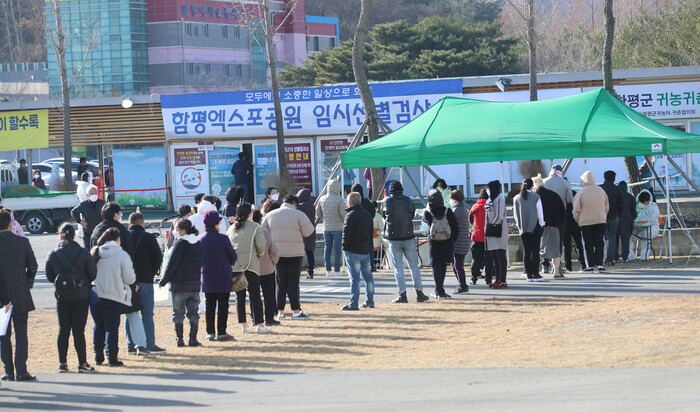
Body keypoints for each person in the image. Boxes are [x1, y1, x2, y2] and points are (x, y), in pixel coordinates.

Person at [45, 223, 97, 373]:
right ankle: (82, 363)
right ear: (74, 235)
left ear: (60, 235)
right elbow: (92, 273)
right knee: (78, 331)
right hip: (81, 294)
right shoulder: (83, 252)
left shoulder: (53, 253)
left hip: (62, 296)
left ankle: (63, 363)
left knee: (63, 330)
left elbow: (50, 276)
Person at [0, 209, 38, 381]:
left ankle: (8, 371)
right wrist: (27, 282)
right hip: (21, 291)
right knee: (21, 333)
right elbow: (33, 265)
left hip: (2, 297)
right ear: (10, 224)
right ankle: (22, 370)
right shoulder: (22, 242)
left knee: (3, 335)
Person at [262, 195, 315, 320]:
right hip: (295, 253)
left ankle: (280, 312)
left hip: (277, 253)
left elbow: (263, 231)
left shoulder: (270, 215)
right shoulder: (298, 214)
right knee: (293, 283)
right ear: (295, 204)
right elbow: (309, 231)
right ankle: (296, 311)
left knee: (280, 283)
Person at [90, 228, 135, 367]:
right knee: (111, 328)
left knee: (98, 326)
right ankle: (112, 357)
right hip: (114, 296)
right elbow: (130, 278)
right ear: (117, 239)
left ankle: (98, 356)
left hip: (95, 295)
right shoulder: (122, 255)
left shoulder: (95, 253)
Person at [382, 181, 429, 303]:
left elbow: (384, 216)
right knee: (414, 267)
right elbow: (412, 215)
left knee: (398, 268)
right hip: (408, 236)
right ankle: (419, 292)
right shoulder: (409, 201)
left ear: (390, 191)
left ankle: (402, 294)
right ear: (401, 189)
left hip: (393, 238)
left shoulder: (386, 201)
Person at [159, 219, 204, 347]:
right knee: (193, 313)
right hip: (194, 283)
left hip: (179, 285)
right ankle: (193, 339)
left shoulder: (180, 244)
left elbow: (171, 264)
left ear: (183, 231)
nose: (176, 232)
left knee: (178, 313)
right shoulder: (198, 243)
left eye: (177, 230)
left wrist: (163, 280)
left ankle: (180, 339)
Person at [126, 212, 165, 354]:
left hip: (129, 281)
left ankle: (130, 344)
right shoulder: (149, 237)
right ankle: (149, 343)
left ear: (129, 223)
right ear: (142, 223)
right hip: (146, 279)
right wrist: (152, 273)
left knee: (130, 313)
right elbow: (158, 258)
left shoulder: (124, 237)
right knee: (147, 314)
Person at [228, 203, 270, 334]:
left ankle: (244, 325)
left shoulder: (231, 228)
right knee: (255, 295)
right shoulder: (255, 227)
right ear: (249, 214)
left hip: (235, 266)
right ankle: (260, 325)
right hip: (250, 266)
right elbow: (261, 245)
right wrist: (260, 254)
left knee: (239, 297)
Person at [201, 210, 238, 341]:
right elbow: (233, 257)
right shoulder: (223, 238)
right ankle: (221, 332)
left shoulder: (200, 239)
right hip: (223, 276)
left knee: (209, 305)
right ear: (216, 224)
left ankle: (210, 333)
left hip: (206, 277)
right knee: (223, 304)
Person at [340, 192, 375, 310]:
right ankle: (370, 301)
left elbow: (346, 233)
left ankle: (353, 302)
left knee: (354, 278)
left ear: (349, 203)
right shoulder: (367, 214)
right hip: (365, 249)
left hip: (353, 250)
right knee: (368, 277)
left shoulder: (350, 215)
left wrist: (344, 246)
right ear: (360, 201)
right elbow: (371, 232)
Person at [423, 189, 459, 299]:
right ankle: (440, 289)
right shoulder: (448, 211)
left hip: (434, 243)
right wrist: (453, 239)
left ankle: (439, 290)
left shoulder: (428, 213)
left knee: (436, 266)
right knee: (443, 266)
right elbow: (455, 227)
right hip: (447, 242)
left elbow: (424, 220)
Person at [573, 171, 609, 273]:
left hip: (585, 222)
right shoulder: (601, 191)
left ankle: (589, 266)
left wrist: (577, 219)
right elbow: (606, 207)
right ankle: (600, 265)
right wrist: (603, 216)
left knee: (587, 244)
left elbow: (576, 209)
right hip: (600, 220)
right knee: (599, 243)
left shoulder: (581, 192)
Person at [534, 175, 565, 278]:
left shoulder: (535, 196)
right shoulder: (554, 195)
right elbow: (562, 211)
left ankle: (540, 268)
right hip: (555, 224)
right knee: (556, 249)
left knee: (538, 249)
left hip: (540, 226)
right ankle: (556, 271)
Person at [513, 179, 545, 282]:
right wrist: (542, 223)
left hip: (523, 227)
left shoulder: (516, 198)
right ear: (532, 186)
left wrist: (519, 226)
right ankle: (535, 273)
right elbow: (540, 213)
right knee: (535, 250)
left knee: (526, 251)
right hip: (535, 226)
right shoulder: (536, 197)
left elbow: (515, 215)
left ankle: (528, 273)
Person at [544, 164, 574, 273]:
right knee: (558, 240)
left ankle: (545, 264)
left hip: (545, 214)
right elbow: (570, 200)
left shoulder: (544, 181)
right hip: (560, 215)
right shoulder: (565, 183)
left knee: (545, 240)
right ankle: (556, 267)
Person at [253, 207, 280, 326]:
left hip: (251, 268)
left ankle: (255, 318)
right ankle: (269, 317)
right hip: (267, 268)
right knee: (269, 295)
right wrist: (272, 262)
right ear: (260, 220)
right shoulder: (266, 234)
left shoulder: (244, 234)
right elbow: (274, 252)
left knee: (254, 295)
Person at [316, 179, 347, 277]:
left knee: (327, 248)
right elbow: (344, 214)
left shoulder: (322, 199)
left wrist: (325, 218)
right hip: (338, 227)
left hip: (326, 227)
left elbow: (318, 214)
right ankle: (337, 270)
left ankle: (327, 270)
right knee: (337, 249)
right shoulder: (339, 199)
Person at [485, 180, 508, 289]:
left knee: (500, 256)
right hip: (491, 231)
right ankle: (497, 278)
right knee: (494, 256)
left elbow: (499, 216)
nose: (487, 190)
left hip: (498, 230)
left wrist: (491, 225)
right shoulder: (490, 199)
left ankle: (502, 279)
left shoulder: (499, 199)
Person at [469, 188, 494, 285]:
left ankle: (474, 278)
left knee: (476, 259)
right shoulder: (491, 206)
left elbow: (470, 219)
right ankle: (488, 279)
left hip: (477, 236)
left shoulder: (475, 206)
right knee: (489, 259)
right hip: (488, 236)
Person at [449, 190, 471, 293]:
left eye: (451, 199)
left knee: (457, 265)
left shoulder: (457, 210)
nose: (450, 201)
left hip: (459, 242)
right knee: (454, 264)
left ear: (456, 200)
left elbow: (449, 221)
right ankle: (462, 284)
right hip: (461, 241)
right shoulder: (461, 208)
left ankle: (462, 285)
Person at [600, 170, 622, 266]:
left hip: (601, 216)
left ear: (604, 178)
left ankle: (600, 258)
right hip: (614, 216)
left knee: (600, 238)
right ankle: (609, 259)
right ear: (614, 179)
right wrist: (619, 214)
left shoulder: (600, 189)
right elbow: (621, 204)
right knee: (612, 238)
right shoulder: (617, 189)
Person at [564, 187, 586, 272]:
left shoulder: (562, 195)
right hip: (575, 221)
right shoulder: (575, 193)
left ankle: (568, 265)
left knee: (566, 245)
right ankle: (582, 263)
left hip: (565, 221)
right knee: (579, 244)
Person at [633, 190, 660, 261]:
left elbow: (652, 218)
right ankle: (630, 256)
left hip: (652, 228)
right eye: (642, 202)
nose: (645, 203)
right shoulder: (636, 206)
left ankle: (644, 256)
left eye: (646, 202)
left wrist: (639, 220)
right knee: (628, 234)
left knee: (646, 234)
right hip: (638, 227)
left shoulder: (653, 206)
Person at [296, 189, 317, 279]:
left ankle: (297, 272)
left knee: (299, 255)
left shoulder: (299, 207)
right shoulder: (312, 207)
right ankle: (310, 271)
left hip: (300, 232)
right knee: (310, 253)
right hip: (311, 231)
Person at [617, 181, 637, 263]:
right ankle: (625, 257)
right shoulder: (630, 197)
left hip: (616, 219)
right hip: (627, 220)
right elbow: (634, 212)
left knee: (614, 239)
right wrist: (632, 219)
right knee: (625, 239)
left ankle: (614, 257)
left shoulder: (616, 197)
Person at [371, 201, 384, 271]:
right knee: (383, 246)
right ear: (376, 208)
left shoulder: (367, 215)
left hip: (369, 240)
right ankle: (378, 262)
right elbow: (381, 228)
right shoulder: (378, 216)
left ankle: (373, 262)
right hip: (377, 239)